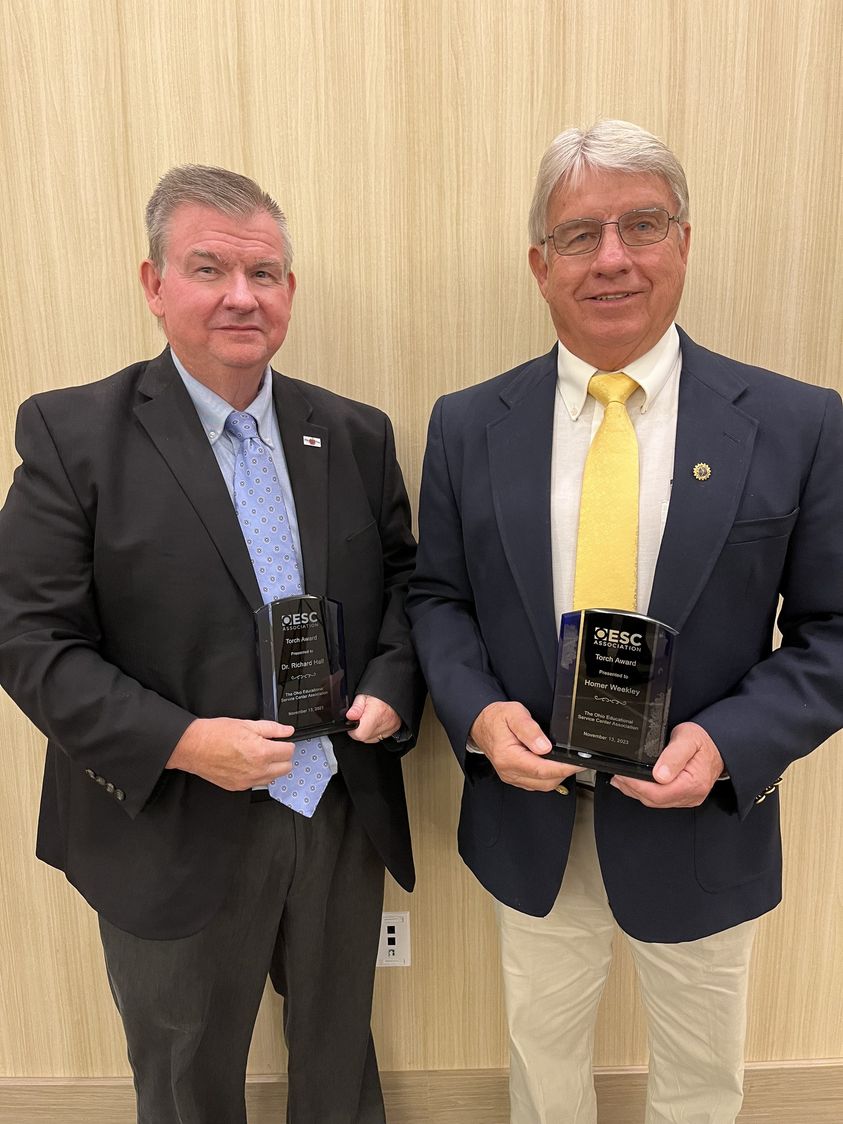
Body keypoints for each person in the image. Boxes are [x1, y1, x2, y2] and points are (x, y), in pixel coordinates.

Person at [407, 120, 843, 1123]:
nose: (611, 258)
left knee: (699, 1077)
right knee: (541, 1061)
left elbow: (832, 629)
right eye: (579, 234)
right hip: (531, 814)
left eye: (641, 225)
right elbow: (437, 598)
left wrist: (726, 742)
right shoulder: (467, 424)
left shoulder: (796, 422)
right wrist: (478, 717)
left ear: (683, 243)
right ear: (540, 264)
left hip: (701, 818)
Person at [0, 164, 424, 1124]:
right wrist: (186, 743)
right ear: (154, 285)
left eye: (263, 273)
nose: (242, 296)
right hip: (170, 821)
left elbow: (406, 585)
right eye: (209, 269)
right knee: (187, 1078)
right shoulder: (73, 434)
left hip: (335, 807)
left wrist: (393, 684)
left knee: (336, 1061)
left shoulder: (353, 434)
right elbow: (29, 639)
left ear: (289, 290)